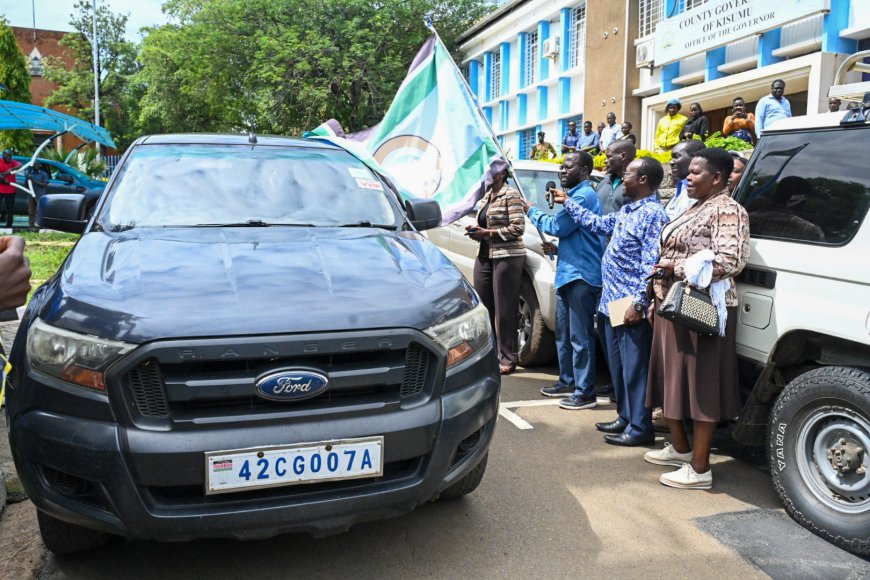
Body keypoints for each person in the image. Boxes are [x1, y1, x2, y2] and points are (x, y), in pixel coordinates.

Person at [645, 147, 750, 489]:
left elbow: (731, 260)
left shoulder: (728, 210)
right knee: (671, 381)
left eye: (695, 172)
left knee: (701, 387)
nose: (687, 177)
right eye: (688, 171)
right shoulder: (696, 205)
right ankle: (680, 449)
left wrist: (677, 269)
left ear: (716, 178)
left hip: (701, 309)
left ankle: (700, 469)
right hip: (672, 303)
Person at [550, 157, 668, 445]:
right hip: (610, 302)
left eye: (627, 174)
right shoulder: (629, 210)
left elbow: (649, 262)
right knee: (619, 367)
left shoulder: (652, 214)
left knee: (634, 368)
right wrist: (567, 202)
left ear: (642, 180)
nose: (621, 179)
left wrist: (639, 303)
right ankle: (625, 418)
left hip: (629, 303)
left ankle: (640, 428)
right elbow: (598, 223)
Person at [524, 152, 605, 410]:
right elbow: (577, 235)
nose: (562, 171)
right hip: (569, 271)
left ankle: (585, 393)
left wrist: (529, 210)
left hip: (581, 275)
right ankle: (568, 380)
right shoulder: (576, 196)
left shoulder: (583, 196)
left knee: (580, 337)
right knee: (564, 333)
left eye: (567, 166)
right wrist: (559, 249)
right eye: (561, 165)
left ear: (584, 169)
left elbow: (557, 226)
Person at [465, 163, 526, 375]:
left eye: (491, 171)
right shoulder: (486, 196)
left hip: (507, 256)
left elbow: (518, 228)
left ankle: (508, 357)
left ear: (502, 173)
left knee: (505, 310)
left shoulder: (511, 195)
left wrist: (487, 233)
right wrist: (475, 231)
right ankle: (489, 354)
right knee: (484, 307)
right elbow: (483, 222)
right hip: (485, 255)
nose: (487, 175)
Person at [664, 139, 705, 221]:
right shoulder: (681, 188)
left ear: (695, 158)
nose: (671, 162)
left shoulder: (701, 195)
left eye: (677, 156)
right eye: (672, 157)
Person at [597, 140, 636, 215]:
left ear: (623, 156)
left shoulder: (641, 186)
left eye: (609, 157)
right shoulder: (605, 181)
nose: (605, 161)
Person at [0, 150, 22, 229]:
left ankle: (9, 225)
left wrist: (12, 169)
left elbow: (20, 165)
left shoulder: (12, 162)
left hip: (10, 189)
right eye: (7, 156)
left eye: (10, 156)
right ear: (3, 155)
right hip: (0, 189)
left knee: (10, 208)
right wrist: (3, 179)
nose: (9, 157)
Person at [26, 161, 50, 230]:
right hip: (30, 195)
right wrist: (28, 179)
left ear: (40, 165)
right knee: (31, 211)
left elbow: (45, 185)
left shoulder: (43, 174)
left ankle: (42, 226)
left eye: (37, 164)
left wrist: (33, 180)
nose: (35, 166)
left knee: (40, 211)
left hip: (40, 195)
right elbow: (26, 184)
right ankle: (31, 226)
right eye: (34, 164)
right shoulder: (30, 174)